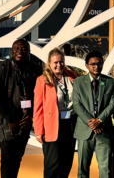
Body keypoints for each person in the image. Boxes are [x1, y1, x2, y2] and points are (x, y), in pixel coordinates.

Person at [0, 39, 42, 178]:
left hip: (25, 120)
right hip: (6, 121)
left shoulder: (36, 70)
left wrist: (31, 115)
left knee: (17, 157)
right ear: (11, 50)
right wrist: (10, 118)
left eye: (24, 48)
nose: (20, 51)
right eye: (16, 48)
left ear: (29, 52)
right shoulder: (0, 69)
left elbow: (40, 94)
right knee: (8, 158)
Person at [33, 47, 79, 178]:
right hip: (52, 124)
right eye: (56, 63)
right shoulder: (42, 80)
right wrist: (38, 131)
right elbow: (38, 108)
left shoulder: (72, 76)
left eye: (61, 62)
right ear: (49, 64)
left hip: (71, 122)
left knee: (67, 160)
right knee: (52, 163)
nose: (59, 65)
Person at [73, 50, 114, 178]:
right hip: (85, 130)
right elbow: (77, 105)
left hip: (104, 130)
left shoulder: (110, 82)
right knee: (83, 169)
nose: (96, 66)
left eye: (99, 63)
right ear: (86, 65)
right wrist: (92, 123)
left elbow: (112, 104)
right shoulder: (78, 82)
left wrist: (100, 120)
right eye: (93, 64)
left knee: (105, 170)